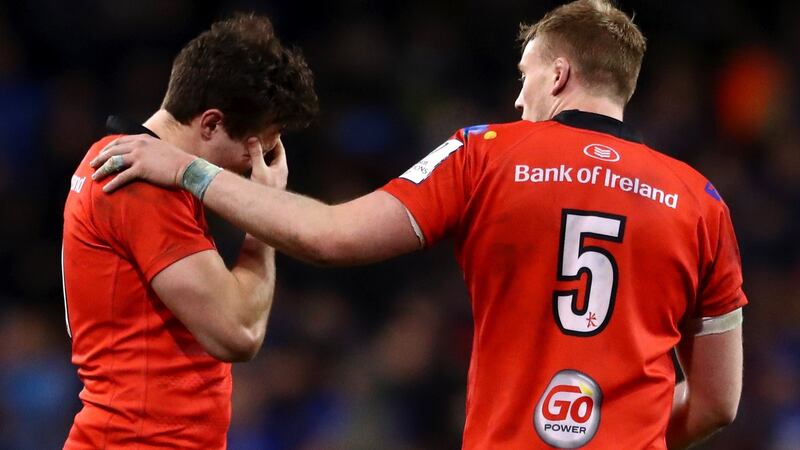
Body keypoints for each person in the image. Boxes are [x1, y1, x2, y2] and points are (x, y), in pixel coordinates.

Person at [91, 1, 746, 448]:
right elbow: (718, 402)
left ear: (559, 72)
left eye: (525, 78)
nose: (519, 98)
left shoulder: (488, 151)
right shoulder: (702, 201)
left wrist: (190, 173)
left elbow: (330, 235)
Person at [62, 14, 318, 449]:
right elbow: (238, 334)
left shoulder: (132, 164)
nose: (256, 165)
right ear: (212, 124)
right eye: (259, 146)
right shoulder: (138, 183)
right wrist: (264, 216)